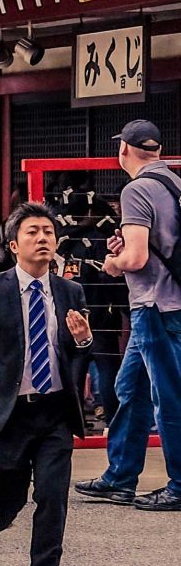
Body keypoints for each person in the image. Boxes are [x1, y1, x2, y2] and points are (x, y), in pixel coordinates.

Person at [0, 202, 92, 566]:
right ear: (13, 244)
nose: (42, 238)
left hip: (54, 410)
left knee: (53, 496)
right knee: (9, 497)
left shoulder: (70, 291)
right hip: (9, 411)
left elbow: (76, 351)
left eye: (48, 232)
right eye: (33, 232)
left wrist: (84, 339)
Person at [84, 119, 181, 508]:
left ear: (123, 150)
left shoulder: (137, 189)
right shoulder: (174, 184)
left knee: (168, 397)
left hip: (154, 306)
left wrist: (113, 262)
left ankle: (177, 485)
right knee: (131, 389)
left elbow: (137, 257)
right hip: (170, 301)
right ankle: (119, 476)